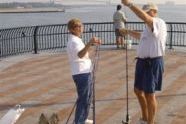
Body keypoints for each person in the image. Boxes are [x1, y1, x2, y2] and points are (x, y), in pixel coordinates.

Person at [120, 1, 167, 124]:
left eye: (148, 11)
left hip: (152, 63)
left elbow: (144, 17)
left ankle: (150, 122)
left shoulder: (158, 22)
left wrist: (129, 4)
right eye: (145, 11)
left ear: (155, 12)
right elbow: (141, 36)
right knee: (137, 90)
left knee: (149, 94)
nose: (146, 14)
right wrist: (128, 31)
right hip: (142, 62)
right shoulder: (148, 27)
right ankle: (145, 118)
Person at [67, 18, 101, 124]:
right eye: (79, 26)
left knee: (87, 98)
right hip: (81, 73)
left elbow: (83, 52)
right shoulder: (74, 41)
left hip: (84, 72)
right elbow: (80, 55)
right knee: (83, 99)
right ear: (73, 29)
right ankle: (79, 121)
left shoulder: (76, 39)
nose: (82, 27)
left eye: (81, 25)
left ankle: (83, 119)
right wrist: (89, 43)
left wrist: (91, 44)